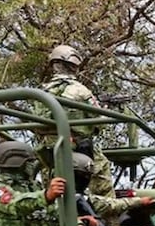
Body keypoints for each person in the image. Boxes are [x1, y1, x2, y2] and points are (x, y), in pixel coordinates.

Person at [33, 44, 115, 198]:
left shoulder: (41, 92)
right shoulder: (80, 90)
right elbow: (99, 122)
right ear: (73, 66)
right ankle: (109, 220)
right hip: (78, 148)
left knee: (54, 190)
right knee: (103, 185)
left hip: (49, 150)